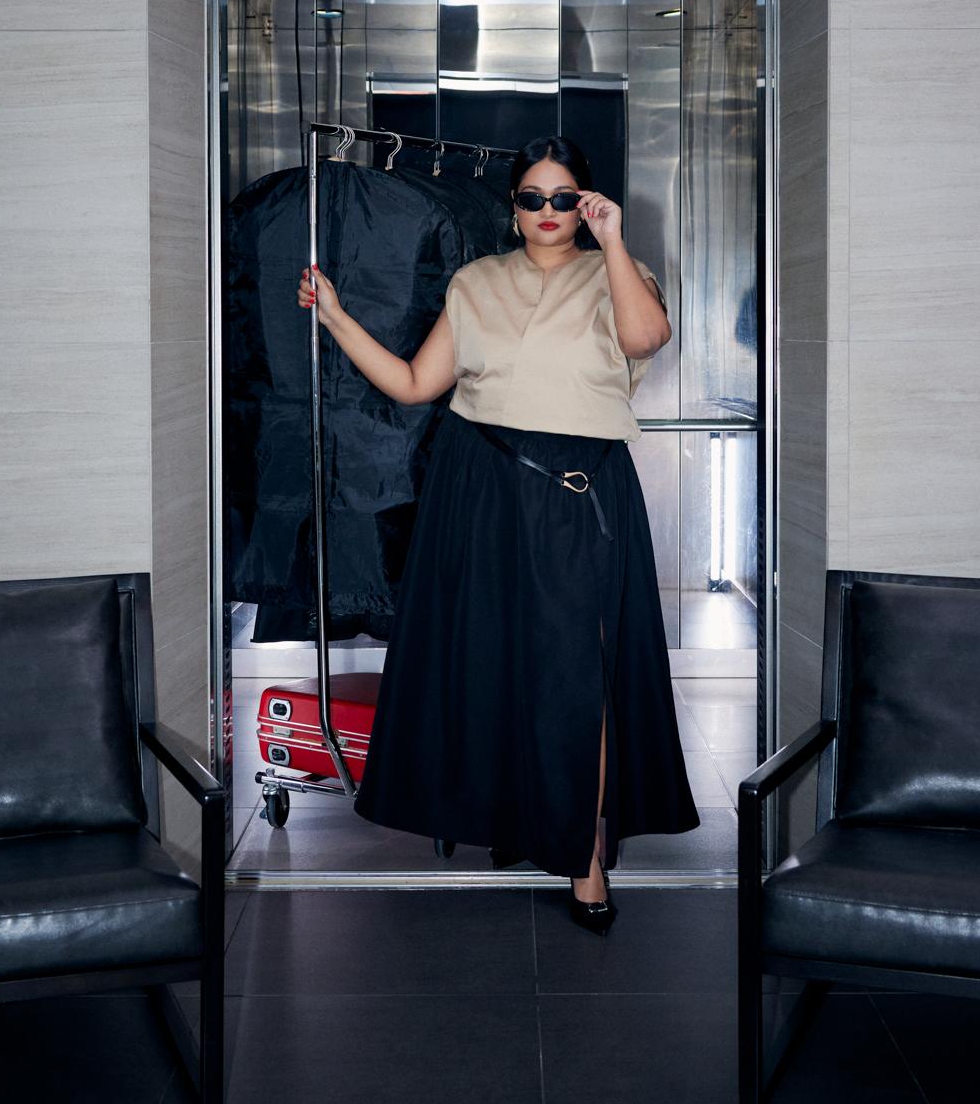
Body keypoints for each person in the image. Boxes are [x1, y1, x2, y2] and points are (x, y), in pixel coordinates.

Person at [296, 135, 700, 934]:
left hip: (581, 491)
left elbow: (646, 338)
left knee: (581, 677)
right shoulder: (475, 281)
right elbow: (416, 383)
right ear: (512, 209)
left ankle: (584, 855)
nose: (548, 211)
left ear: (585, 205)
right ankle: (521, 820)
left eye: (564, 198)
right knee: (499, 665)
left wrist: (614, 239)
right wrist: (336, 317)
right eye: (531, 198)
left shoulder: (618, 273)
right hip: (481, 489)